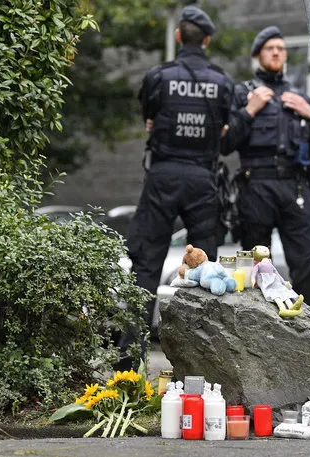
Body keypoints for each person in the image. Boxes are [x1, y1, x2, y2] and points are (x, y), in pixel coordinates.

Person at [121, 6, 234, 368]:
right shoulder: (223, 81)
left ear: (177, 36)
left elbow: (149, 116)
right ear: (207, 40)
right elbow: (227, 128)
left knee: (146, 266)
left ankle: (126, 369)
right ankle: (203, 370)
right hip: (203, 178)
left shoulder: (159, 76)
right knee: (206, 270)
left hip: (163, 176)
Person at [222, 25, 310, 319]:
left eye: (281, 49)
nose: (276, 52)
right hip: (255, 184)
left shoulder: (299, 98)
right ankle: (253, 322)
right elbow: (226, 143)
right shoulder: (242, 93)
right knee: (255, 260)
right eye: (270, 48)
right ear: (258, 55)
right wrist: (250, 110)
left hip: (294, 185)